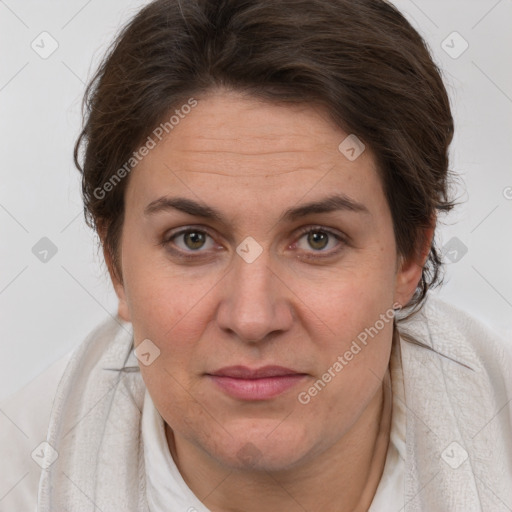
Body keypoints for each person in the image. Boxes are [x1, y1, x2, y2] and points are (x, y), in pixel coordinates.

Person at [1, 0, 511, 510]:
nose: (252, 318)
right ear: (116, 265)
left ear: (409, 256)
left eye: (318, 239)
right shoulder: (19, 477)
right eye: (192, 239)